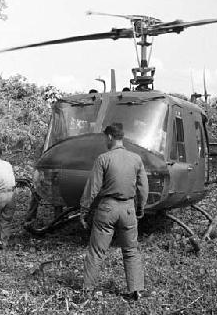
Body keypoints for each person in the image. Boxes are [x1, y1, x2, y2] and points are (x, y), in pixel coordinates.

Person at [79, 124, 149, 301]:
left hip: (107, 208)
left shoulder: (104, 158)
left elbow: (92, 188)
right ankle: (136, 291)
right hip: (128, 209)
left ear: (110, 137)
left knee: (96, 251)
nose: (105, 141)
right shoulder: (136, 159)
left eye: (105, 138)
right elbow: (143, 188)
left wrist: (84, 209)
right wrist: (140, 207)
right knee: (131, 250)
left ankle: (87, 290)